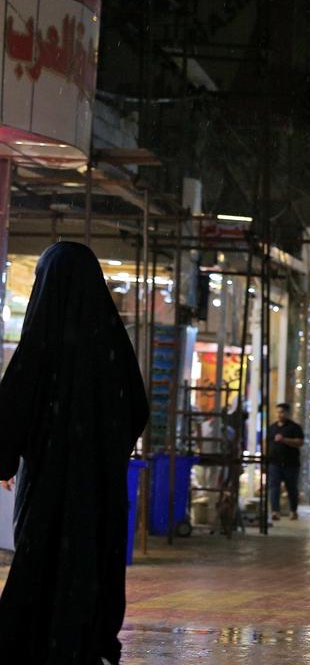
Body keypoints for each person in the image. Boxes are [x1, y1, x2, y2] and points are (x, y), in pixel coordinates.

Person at [0, 242, 149, 664]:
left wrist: (9, 458)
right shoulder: (112, 342)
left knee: (41, 552)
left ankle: (37, 638)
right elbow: (137, 406)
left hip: (47, 478)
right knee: (90, 552)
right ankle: (86, 638)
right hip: (98, 481)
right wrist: (104, 448)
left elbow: (14, 403)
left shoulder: (42, 340)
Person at [267, 403, 306, 521]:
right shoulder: (272, 428)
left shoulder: (295, 428)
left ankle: (293, 511)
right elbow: (267, 442)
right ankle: (275, 511)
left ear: (288, 413)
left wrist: (284, 440)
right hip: (275, 463)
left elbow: (299, 442)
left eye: (282, 412)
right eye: (278, 412)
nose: (280, 415)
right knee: (274, 487)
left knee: (292, 488)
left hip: (291, 464)